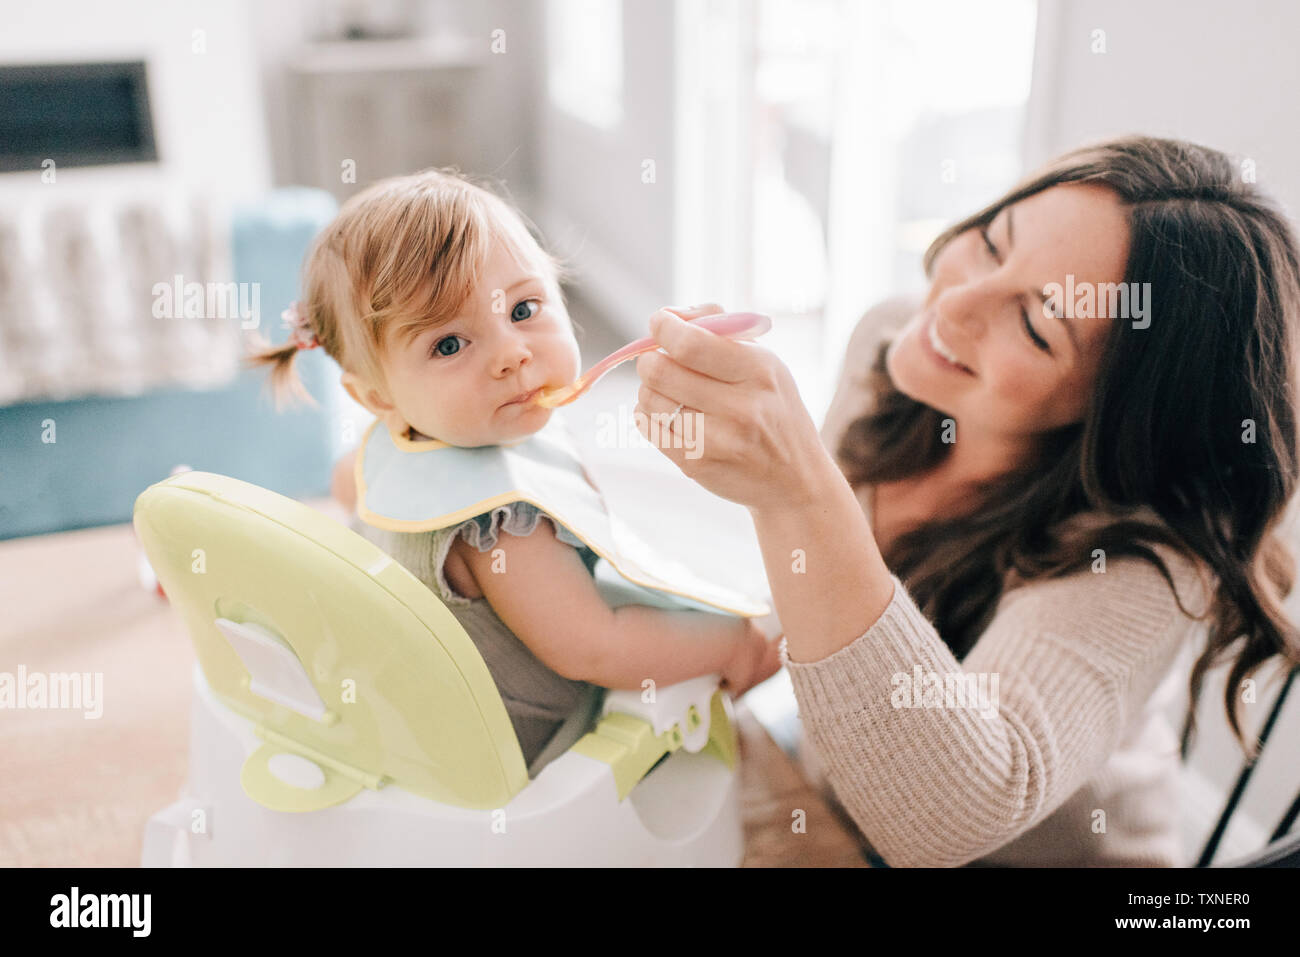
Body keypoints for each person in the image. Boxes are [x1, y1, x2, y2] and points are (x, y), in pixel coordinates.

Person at [632, 135, 1300, 866]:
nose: (954, 306)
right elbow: (810, 594)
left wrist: (796, 489)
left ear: (1119, 413)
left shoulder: (1151, 566)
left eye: (1036, 323)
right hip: (846, 794)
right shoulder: (893, 342)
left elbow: (949, 819)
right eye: (990, 243)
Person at [245, 168, 781, 773]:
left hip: (409, 699)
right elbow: (594, 648)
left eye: (524, 308)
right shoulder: (502, 521)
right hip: (506, 734)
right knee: (751, 629)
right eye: (449, 344)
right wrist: (729, 645)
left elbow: (349, 485)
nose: (511, 353)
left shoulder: (391, 442)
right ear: (377, 396)